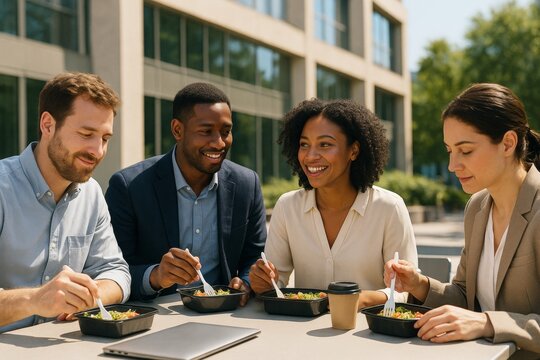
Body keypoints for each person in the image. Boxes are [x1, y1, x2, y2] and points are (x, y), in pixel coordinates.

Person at [384, 83, 540, 354]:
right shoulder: (478, 207)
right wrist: (418, 285)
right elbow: (466, 297)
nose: (452, 165)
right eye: (449, 151)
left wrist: (487, 322)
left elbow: (477, 318)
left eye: (465, 150)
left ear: (507, 143)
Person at [105, 82, 266, 304]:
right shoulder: (129, 187)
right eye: (206, 131)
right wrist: (156, 276)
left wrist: (246, 282)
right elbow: (111, 271)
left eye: (226, 132)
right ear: (177, 130)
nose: (219, 143)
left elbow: (254, 258)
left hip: (226, 314)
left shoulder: (246, 184)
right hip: (156, 316)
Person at [249, 98, 417, 308]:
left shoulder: (389, 208)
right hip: (299, 334)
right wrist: (263, 281)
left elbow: (404, 290)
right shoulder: (288, 206)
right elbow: (276, 283)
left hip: (368, 332)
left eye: (325, 144)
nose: (310, 156)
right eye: (304, 145)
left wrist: (356, 300)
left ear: (353, 151)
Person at [0, 72, 131, 332]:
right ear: (48, 125)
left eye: (105, 138)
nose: (98, 151)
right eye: (86, 134)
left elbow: (117, 272)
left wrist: (88, 297)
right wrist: (35, 300)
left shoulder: (91, 193)